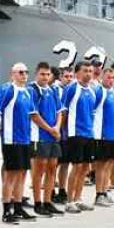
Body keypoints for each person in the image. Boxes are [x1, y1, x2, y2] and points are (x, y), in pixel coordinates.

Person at [0, 62, 53, 223]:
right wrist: (4, 129)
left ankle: (18, 207)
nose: (24, 75)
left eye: (26, 72)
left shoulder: (28, 92)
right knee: (10, 175)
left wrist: (48, 129)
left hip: (25, 139)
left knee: (22, 174)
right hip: (12, 140)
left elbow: (33, 114)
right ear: (13, 74)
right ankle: (7, 210)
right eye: (20, 72)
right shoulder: (8, 90)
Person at [59, 60, 101, 213]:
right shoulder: (71, 89)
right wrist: (60, 131)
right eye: (85, 70)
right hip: (75, 133)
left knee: (84, 168)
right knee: (76, 167)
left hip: (88, 133)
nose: (88, 73)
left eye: (90, 71)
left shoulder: (92, 90)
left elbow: (93, 112)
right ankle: (69, 201)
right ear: (77, 73)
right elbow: (63, 111)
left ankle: (78, 198)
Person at [28, 62, 64, 217]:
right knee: (39, 169)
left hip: (53, 135)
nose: (45, 77)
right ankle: (37, 202)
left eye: (47, 74)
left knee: (52, 167)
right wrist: (50, 129)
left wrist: (57, 127)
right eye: (42, 74)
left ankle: (48, 201)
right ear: (37, 74)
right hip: (39, 136)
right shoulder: (33, 90)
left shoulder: (53, 90)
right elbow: (34, 115)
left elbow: (60, 111)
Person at [92, 66, 114, 206]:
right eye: (108, 77)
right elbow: (92, 112)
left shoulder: (113, 93)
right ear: (103, 77)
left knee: (109, 164)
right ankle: (99, 194)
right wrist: (97, 132)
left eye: (113, 78)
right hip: (102, 135)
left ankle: (105, 191)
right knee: (101, 165)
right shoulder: (99, 92)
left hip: (113, 134)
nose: (111, 80)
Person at [52, 66, 74, 204]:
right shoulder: (55, 90)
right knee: (54, 163)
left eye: (71, 76)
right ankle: (51, 190)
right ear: (60, 77)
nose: (69, 79)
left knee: (65, 163)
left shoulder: (72, 90)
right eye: (66, 76)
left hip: (67, 132)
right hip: (56, 131)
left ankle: (62, 189)